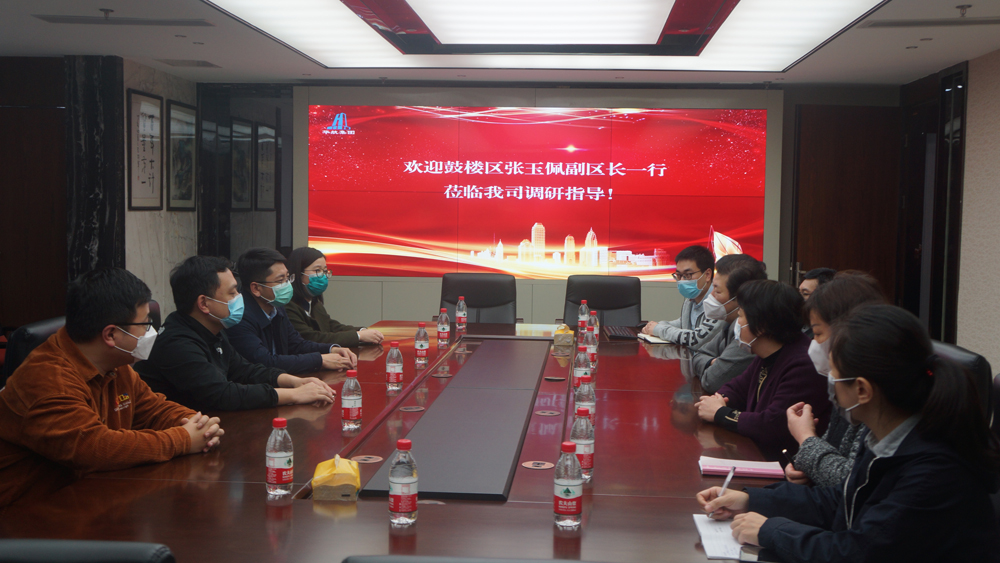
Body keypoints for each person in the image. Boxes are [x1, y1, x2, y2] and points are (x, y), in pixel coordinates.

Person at [697, 304, 1000, 561]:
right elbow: (842, 501)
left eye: (834, 375)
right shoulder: (885, 436)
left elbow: (856, 552)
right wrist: (752, 500)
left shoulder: (933, 471)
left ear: (862, 390)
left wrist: (770, 530)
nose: (828, 384)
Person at [0, 268, 224, 507]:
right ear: (111, 335)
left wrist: (197, 425)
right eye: (145, 324)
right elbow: (95, 448)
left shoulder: (115, 364)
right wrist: (183, 439)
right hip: (26, 513)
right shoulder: (47, 379)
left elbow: (153, 408)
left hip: (91, 498)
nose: (151, 332)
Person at [136, 256, 337, 411]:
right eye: (232, 293)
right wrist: (294, 395)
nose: (239, 298)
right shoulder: (176, 343)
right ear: (204, 303)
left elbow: (244, 370)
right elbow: (222, 394)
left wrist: (294, 381)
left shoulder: (213, 328)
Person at [694, 280, 830, 460]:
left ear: (762, 326)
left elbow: (771, 425)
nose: (738, 324)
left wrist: (720, 413)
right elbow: (736, 389)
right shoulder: (767, 354)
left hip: (786, 464)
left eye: (741, 316)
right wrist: (718, 402)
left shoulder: (803, 364)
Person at [784, 273, 885, 487]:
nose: (813, 343)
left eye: (818, 333)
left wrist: (806, 438)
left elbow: (850, 484)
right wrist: (805, 466)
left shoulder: (872, 392)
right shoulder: (844, 383)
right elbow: (832, 453)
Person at [227, 248, 357, 375]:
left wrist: (331, 349)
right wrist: (320, 360)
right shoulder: (239, 317)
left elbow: (297, 344)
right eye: (280, 280)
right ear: (256, 288)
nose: (287, 285)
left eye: (288, 278)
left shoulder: (277, 308)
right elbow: (266, 362)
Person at [690, 254, 768, 394]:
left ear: (741, 297)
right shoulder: (728, 322)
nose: (711, 296)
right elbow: (698, 355)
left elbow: (712, 381)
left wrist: (713, 365)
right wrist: (712, 362)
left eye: (717, 291)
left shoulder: (748, 333)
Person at [285, 246, 384, 347]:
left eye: (324, 271)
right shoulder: (288, 307)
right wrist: (358, 336)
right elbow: (313, 338)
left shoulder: (315, 304)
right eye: (317, 270)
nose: (323, 276)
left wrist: (362, 331)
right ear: (298, 274)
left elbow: (331, 326)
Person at [643, 245, 724, 348]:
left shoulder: (719, 302)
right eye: (679, 275)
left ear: (707, 275)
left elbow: (696, 339)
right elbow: (683, 323)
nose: (682, 280)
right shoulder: (691, 299)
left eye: (688, 275)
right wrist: (656, 325)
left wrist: (658, 329)